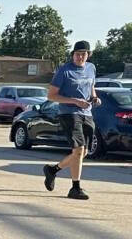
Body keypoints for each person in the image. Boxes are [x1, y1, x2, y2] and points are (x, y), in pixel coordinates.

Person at [43, 41, 100, 200]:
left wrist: (95, 97)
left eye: (84, 54)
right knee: (78, 150)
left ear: (88, 55)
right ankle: (75, 188)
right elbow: (51, 96)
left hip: (87, 113)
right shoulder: (64, 71)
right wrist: (74, 101)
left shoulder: (91, 68)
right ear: (72, 55)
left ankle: (53, 170)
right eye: (77, 54)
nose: (80, 57)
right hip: (69, 113)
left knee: (83, 152)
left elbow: (91, 86)